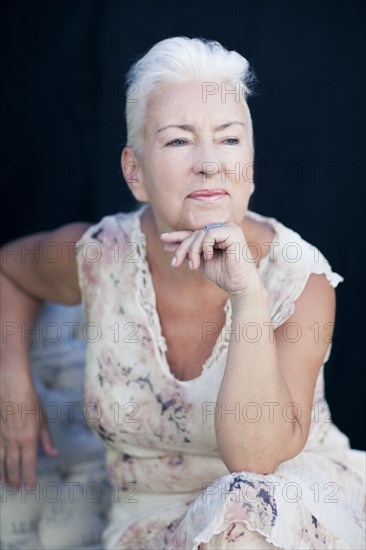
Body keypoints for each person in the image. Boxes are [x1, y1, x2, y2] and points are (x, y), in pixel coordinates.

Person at [1, 36, 365, 550]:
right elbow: (9, 269)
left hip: (287, 511)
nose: (210, 163)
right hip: (150, 525)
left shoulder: (299, 279)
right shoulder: (101, 256)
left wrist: (248, 297)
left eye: (230, 139)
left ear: (251, 167)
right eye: (178, 141)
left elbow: (255, 463)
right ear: (135, 171)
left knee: (243, 512)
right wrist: (11, 375)